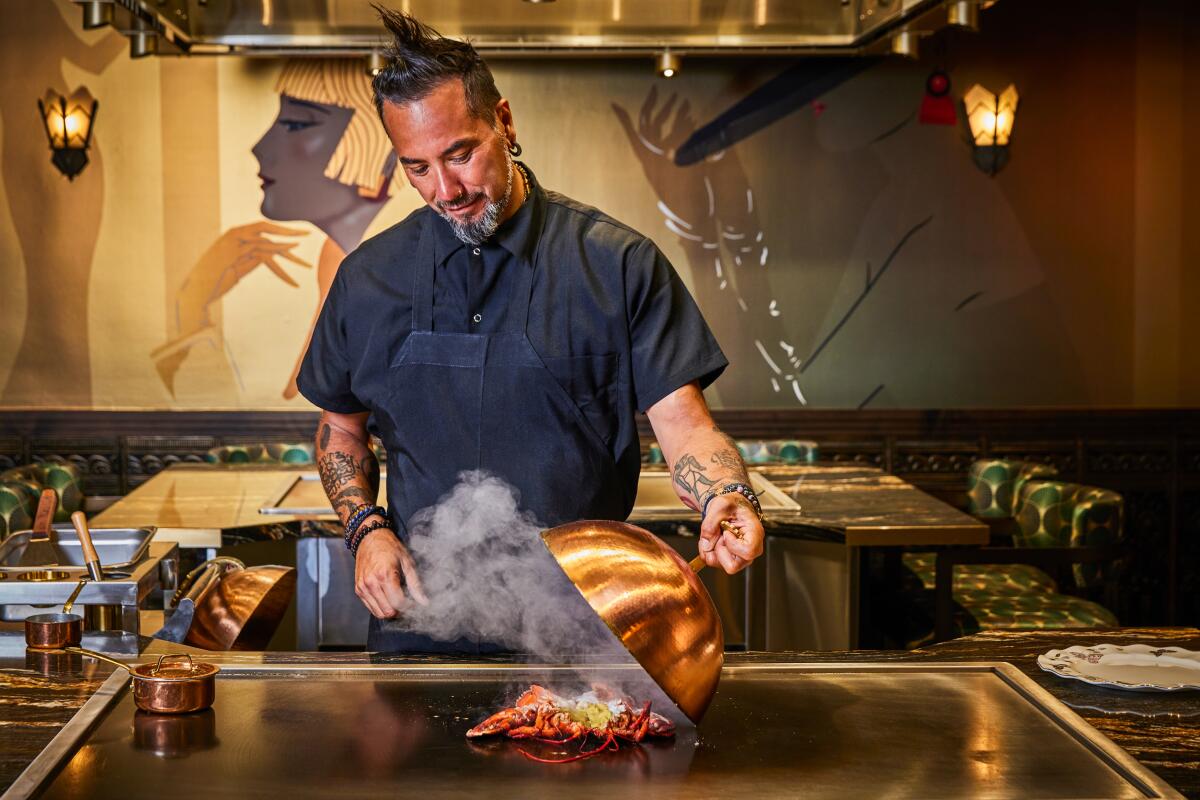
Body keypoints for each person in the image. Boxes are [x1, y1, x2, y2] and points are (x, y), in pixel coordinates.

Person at [297, 10, 765, 652]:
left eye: (461, 154)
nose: (445, 190)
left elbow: (684, 425)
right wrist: (366, 530)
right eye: (418, 168)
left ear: (505, 123)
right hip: (421, 626)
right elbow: (339, 429)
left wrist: (725, 493)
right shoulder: (368, 278)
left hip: (587, 622)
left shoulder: (617, 264)